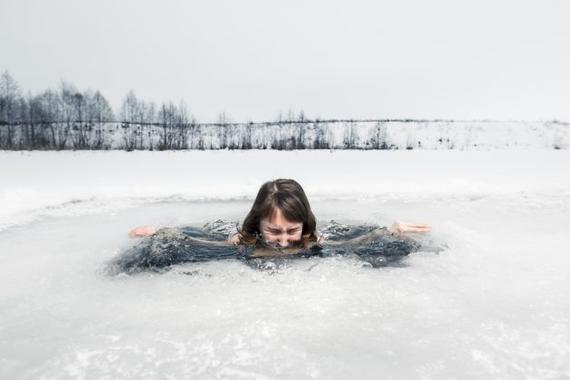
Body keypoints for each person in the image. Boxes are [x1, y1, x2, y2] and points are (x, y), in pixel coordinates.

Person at [128, 178, 431, 251]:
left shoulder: (314, 240)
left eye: (291, 231)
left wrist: (389, 232)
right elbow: (196, 240)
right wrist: (161, 233)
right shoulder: (244, 239)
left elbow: (354, 244)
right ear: (258, 224)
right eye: (274, 231)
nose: (284, 242)